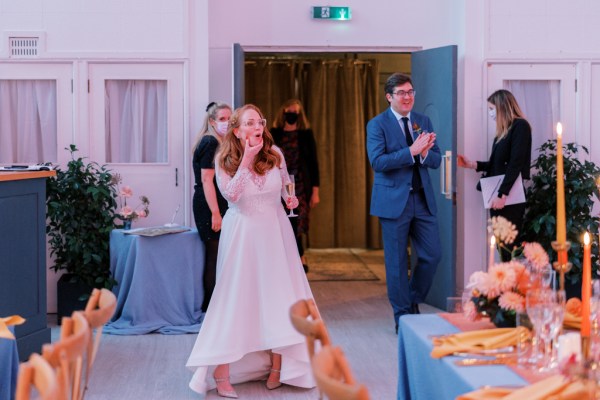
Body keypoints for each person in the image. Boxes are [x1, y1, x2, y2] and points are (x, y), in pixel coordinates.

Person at [186, 104, 315, 398]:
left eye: (260, 121)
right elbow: (231, 194)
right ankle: (221, 373)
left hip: (275, 229)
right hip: (242, 232)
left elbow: (285, 187)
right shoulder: (224, 157)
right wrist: (246, 160)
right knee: (236, 298)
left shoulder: (276, 154)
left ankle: (278, 366)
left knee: (280, 295)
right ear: (236, 129)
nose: (257, 126)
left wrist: (290, 201)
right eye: (249, 122)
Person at [366, 72, 442, 333]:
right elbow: (378, 162)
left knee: (432, 256)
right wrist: (411, 152)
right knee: (397, 263)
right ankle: (402, 315)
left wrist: (423, 154)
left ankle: (412, 300)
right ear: (389, 97)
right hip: (392, 202)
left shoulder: (423, 121)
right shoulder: (377, 125)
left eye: (411, 92)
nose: (408, 97)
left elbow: (436, 159)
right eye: (402, 93)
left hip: (422, 200)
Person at [457, 89, 532, 261]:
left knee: (509, 248)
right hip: (498, 198)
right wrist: (471, 165)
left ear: (502, 107)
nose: (490, 113)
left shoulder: (520, 126)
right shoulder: (502, 133)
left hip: (508, 199)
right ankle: (505, 285)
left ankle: (510, 286)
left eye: (492, 108)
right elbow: (496, 164)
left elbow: (515, 164)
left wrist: (502, 194)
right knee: (501, 247)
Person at [271, 99, 320, 273]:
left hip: (300, 184)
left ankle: (300, 256)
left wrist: (315, 191)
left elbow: (314, 163)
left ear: (300, 115)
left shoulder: (305, 134)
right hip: (278, 185)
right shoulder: (274, 133)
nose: (292, 114)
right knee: (282, 221)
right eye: (289, 110)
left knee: (297, 221)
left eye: (295, 111)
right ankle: (286, 258)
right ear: (283, 112)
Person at [192, 101, 232, 312]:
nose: (227, 123)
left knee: (219, 255)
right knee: (214, 255)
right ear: (212, 121)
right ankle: (210, 307)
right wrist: (216, 213)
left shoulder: (220, 142)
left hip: (217, 202)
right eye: (222, 119)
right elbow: (207, 180)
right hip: (210, 204)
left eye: (229, 119)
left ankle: (215, 306)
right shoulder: (210, 142)